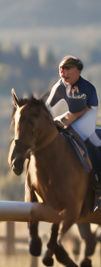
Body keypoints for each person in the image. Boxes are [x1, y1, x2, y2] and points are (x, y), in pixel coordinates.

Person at [46, 55, 101, 197]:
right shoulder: (60, 87)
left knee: (91, 143)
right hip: (69, 121)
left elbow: (80, 113)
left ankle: (97, 184)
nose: (64, 73)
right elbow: (46, 108)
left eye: (68, 69)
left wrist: (60, 120)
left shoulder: (87, 89)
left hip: (87, 119)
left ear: (79, 72)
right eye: (61, 69)